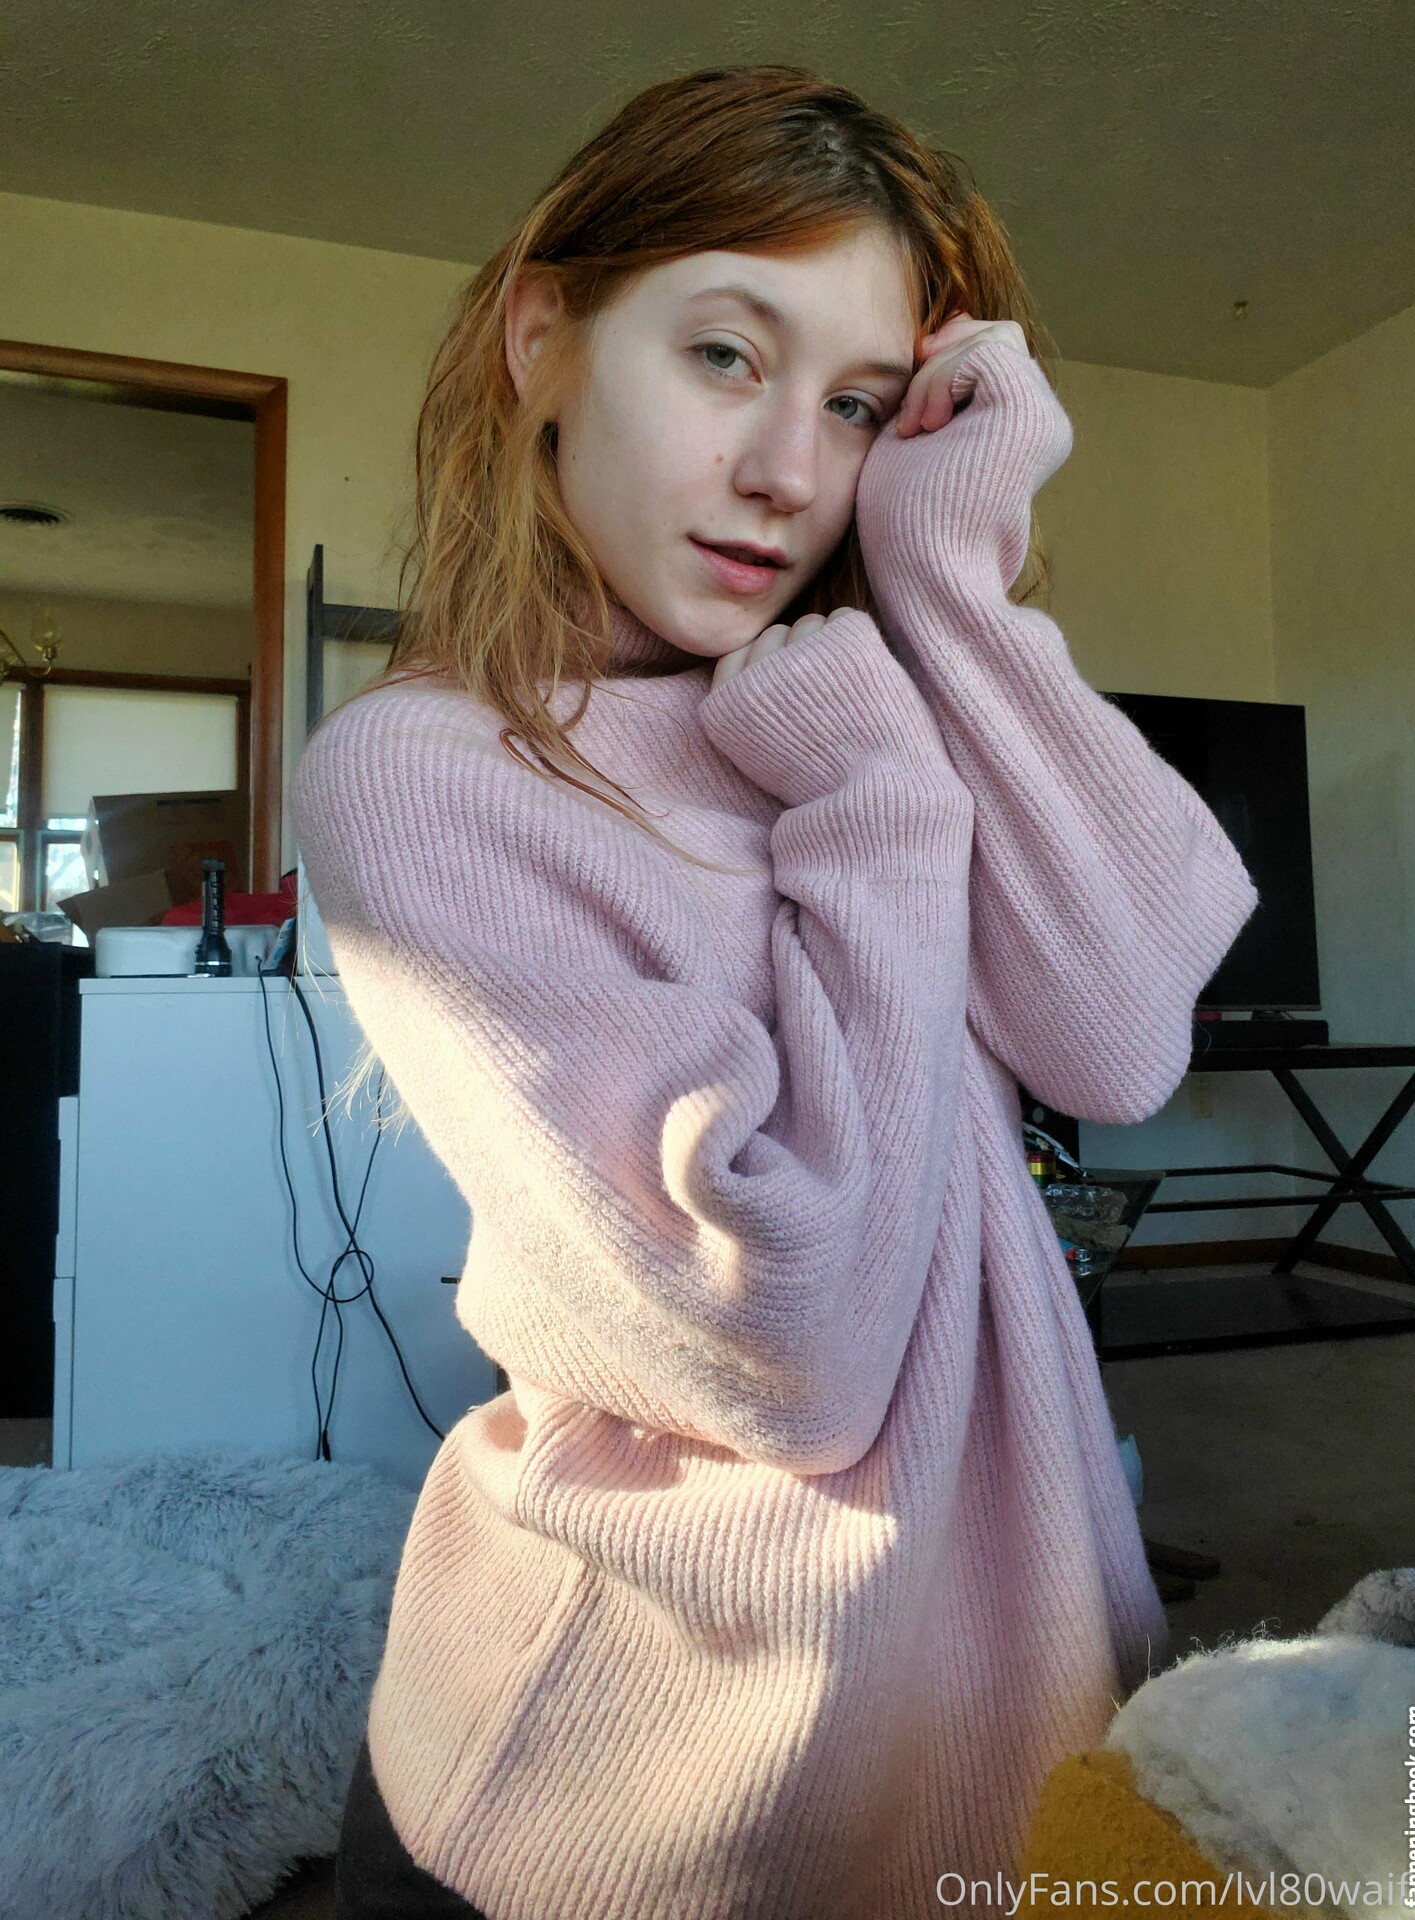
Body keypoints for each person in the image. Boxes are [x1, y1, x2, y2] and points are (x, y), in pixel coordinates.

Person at [294, 63, 1259, 1920]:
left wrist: (948, 579)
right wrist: (879, 797)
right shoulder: (431, 772)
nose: (791, 474)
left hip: (1026, 1711)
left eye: (859, 404)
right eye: (726, 355)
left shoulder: (846, 697)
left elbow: (1122, 1031)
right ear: (543, 339)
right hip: (635, 1789)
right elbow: (792, 1351)